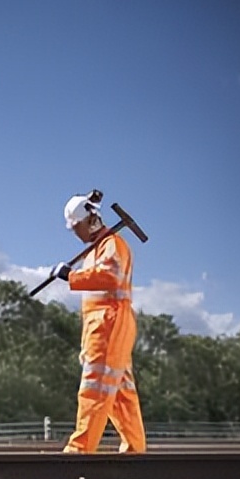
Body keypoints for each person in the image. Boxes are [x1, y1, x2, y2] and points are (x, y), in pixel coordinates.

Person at [50, 190, 147, 453]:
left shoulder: (113, 244)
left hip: (110, 324)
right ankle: (135, 451)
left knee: (94, 388)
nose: (77, 233)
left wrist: (72, 276)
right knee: (119, 392)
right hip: (101, 326)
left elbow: (110, 275)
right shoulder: (94, 251)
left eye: (77, 226)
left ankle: (79, 451)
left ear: (90, 218)